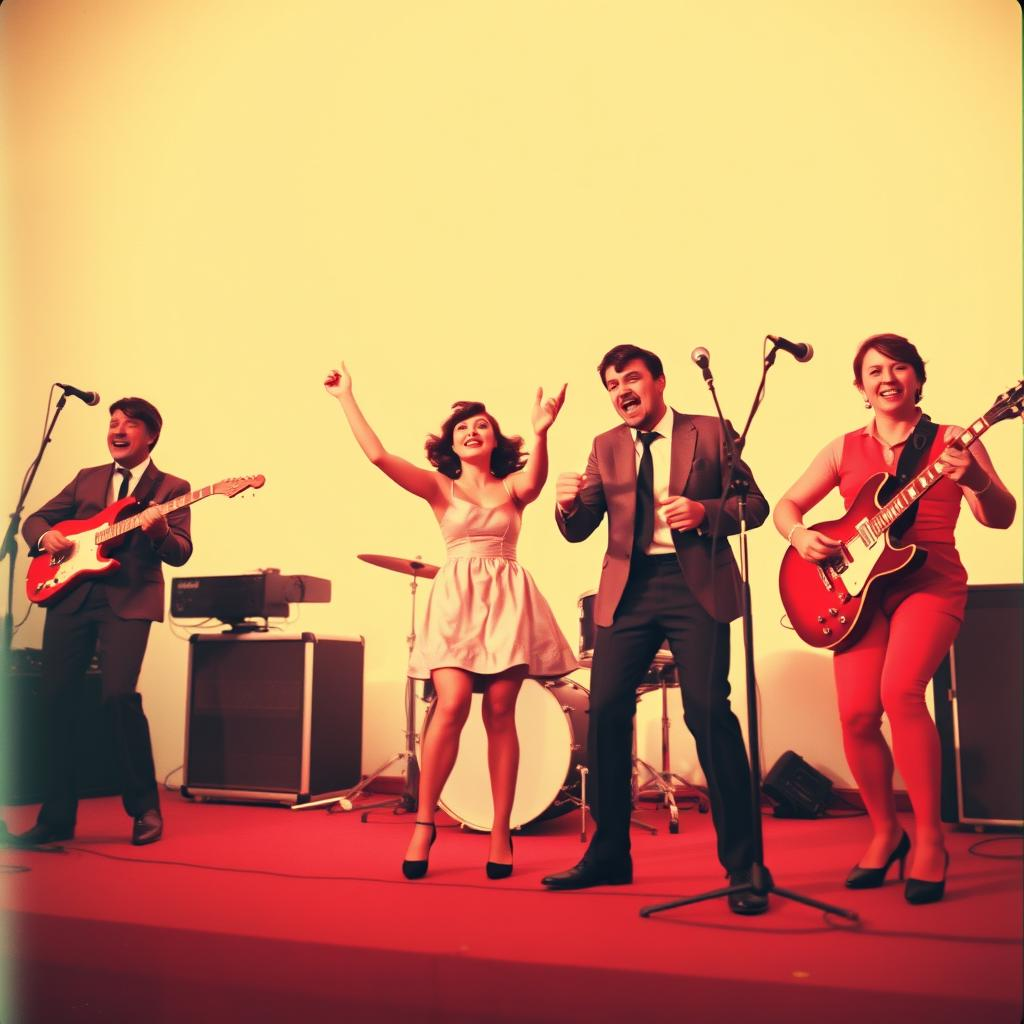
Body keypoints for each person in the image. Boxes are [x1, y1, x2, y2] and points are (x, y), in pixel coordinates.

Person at [773, 334, 1016, 904]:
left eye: (899, 367)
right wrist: (801, 536)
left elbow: (1001, 516)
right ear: (861, 387)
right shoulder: (842, 449)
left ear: (917, 379)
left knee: (901, 693)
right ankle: (886, 833)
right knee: (857, 715)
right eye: (875, 370)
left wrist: (974, 479)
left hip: (929, 583)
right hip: (860, 593)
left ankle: (930, 838)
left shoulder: (954, 440)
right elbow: (786, 507)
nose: (888, 378)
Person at [542, 343, 769, 915]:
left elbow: (755, 506)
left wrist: (706, 512)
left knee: (708, 713)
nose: (622, 390)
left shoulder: (710, 430)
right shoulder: (606, 445)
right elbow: (581, 526)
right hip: (630, 589)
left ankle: (744, 865)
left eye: (632, 378)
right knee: (606, 710)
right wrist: (566, 506)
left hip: (695, 583)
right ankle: (609, 854)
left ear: (659, 381)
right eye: (612, 385)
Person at [324, 363, 576, 879]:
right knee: (452, 702)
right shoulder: (440, 487)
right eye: (462, 427)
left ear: (494, 440)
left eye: (482, 425)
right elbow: (378, 456)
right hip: (456, 601)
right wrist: (347, 396)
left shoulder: (512, 486)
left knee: (501, 711)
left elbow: (536, 482)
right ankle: (425, 822)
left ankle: (501, 830)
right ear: (451, 443)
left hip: (507, 599)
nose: (472, 431)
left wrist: (541, 432)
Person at [11, 398, 192, 847]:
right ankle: (56, 817)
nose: (118, 430)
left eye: (129, 424)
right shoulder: (86, 478)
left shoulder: (172, 487)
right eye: (112, 423)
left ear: (151, 435)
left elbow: (181, 552)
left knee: (117, 697)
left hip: (128, 601)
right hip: (70, 598)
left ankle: (145, 809)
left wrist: (160, 533)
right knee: (56, 701)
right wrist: (46, 536)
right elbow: (35, 520)